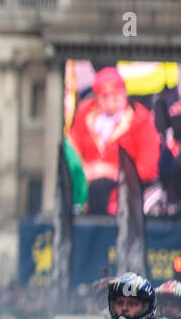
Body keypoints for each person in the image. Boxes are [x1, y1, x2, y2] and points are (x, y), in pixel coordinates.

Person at [68, 66, 161, 214]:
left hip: (123, 197)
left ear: (124, 93)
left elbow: (149, 168)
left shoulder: (140, 119)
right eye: (104, 97)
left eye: (116, 96)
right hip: (87, 194)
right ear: (96, 97)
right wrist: (85, 170)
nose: (111, 103)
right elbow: (72, 152)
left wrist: (113, 172)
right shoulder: (85, 114)